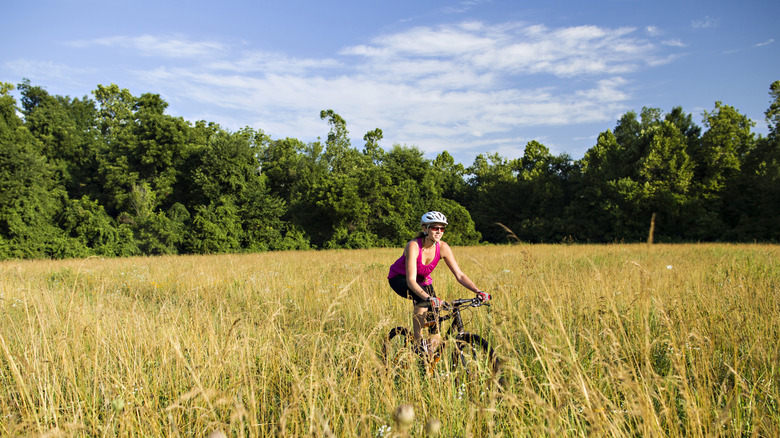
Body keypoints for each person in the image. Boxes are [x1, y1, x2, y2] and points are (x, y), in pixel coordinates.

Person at [387, 211, 490, 356]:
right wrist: (429, 298)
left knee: (436, 326)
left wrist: (478, 291)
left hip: (423, 282)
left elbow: (459, 275)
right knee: (423, 301)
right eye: (435, 228)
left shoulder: (443, 248)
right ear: (425, 229)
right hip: (400, 279)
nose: (439, 231)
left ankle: (428, 359)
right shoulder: (413, 246)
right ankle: (418, 342)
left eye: (442, 228)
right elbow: (411, 281)